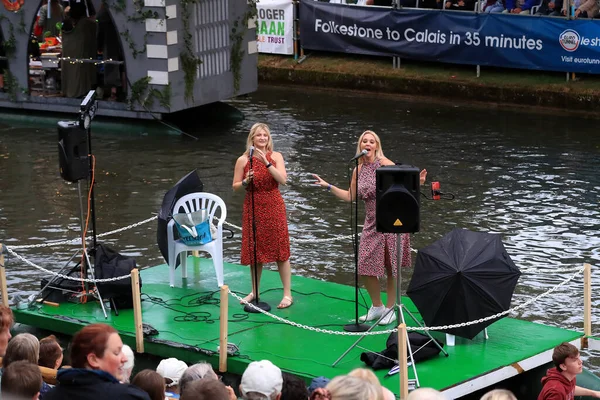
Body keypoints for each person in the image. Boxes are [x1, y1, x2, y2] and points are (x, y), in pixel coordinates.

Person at [313, 130, 426, 325]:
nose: (367, 144)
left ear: (377, 145)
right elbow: (350, 196)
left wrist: (419, 183)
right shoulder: (358, 169)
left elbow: (404, 186)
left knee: (392, 267)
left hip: (392, 220)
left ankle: (391, 309)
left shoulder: (384, 164)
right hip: (371, 222)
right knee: (364, 266)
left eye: (371, 141)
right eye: (364, 141)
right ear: (360, 146)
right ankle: (377, 306)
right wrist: (328, 186)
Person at [233, 122, 293, 309]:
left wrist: (266, 163)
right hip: (253, 205)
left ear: (269, 139)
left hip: (274, 204)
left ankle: (287, 294)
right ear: (252, 138)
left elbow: (283, 180)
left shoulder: (276, 156)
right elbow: (235, 186)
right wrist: (245, 181)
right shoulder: (243, 160)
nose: (262, 138)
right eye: (258, 135)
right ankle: (255, 291)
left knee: (280, 251)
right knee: (255, 252)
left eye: (265, 135)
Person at [43, 323, 150, 400]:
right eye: (116, 353)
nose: (124, 359)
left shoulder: (51, 396)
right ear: (93, 360)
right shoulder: (130, 396)